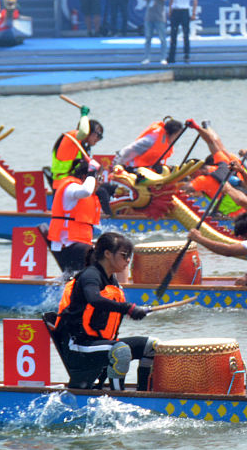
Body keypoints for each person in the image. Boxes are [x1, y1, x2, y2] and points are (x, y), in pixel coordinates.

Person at [54, 232, 156, 390]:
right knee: (121, 351)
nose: (128, 260)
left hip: (100, 344)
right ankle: (117, 397)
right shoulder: (90, 276)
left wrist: (132, 310)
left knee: (152, 346)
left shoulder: (111, 280)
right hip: (79, 347)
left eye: (129, 256)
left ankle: (143, 394)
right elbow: (94, 299)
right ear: (108, 254)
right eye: (124, 255)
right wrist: (128, 308)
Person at [48, 155, 106, 272]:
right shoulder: (71, 187)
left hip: (77, 244)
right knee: (107, 259)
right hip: (66, 245)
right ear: (85, 177)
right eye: (99, 178)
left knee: (112, 251)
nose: (100, 183)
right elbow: (86, 191)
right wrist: (92, 173)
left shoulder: (83, 193)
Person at [50, 107, 103, 185]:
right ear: (89, 131)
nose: (99, 139)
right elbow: (83, 132)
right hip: (63, 183)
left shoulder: (84, 146)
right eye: (98, 135)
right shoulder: (72, 137)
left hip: (74, 182)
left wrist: (99, 177)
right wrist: (84, 115)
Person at [113, 117, 183, 172]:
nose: (177, 138)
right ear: (169, 133)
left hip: (149, 169)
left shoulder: (166, 142)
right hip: (136, 170)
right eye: (176, 135)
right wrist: (117, 166)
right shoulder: (153, 139)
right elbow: (129, 151)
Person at [167, 0, 197, 64]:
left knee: (186, 34)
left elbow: (194, 0)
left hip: (185, 11)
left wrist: (193, 13)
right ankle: (171, 57)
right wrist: (170, 10)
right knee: (173, 35)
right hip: (175, 11)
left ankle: (186, 55)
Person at [140, 0, 168, 64]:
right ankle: (146, 58)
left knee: (162, 39)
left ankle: (163, 58)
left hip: (160, 17)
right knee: (148, 38)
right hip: (149, 17)